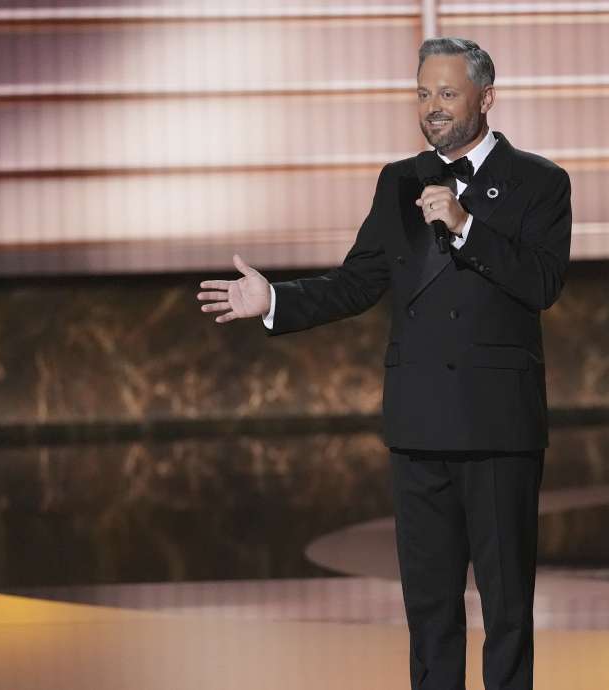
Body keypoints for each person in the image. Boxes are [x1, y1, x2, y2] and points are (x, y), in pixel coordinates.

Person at [198, 37, 571, 690]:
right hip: (418, 423)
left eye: (447, 93)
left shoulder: (541, 182)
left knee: (507, 608)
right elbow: (359, 281)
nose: (433, 107)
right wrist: (275, 299)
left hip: (498, 427)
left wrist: (466, 226)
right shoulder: (398, 180)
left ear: (486, 97)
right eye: (423, 93)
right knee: (429, 610)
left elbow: (541, 284)